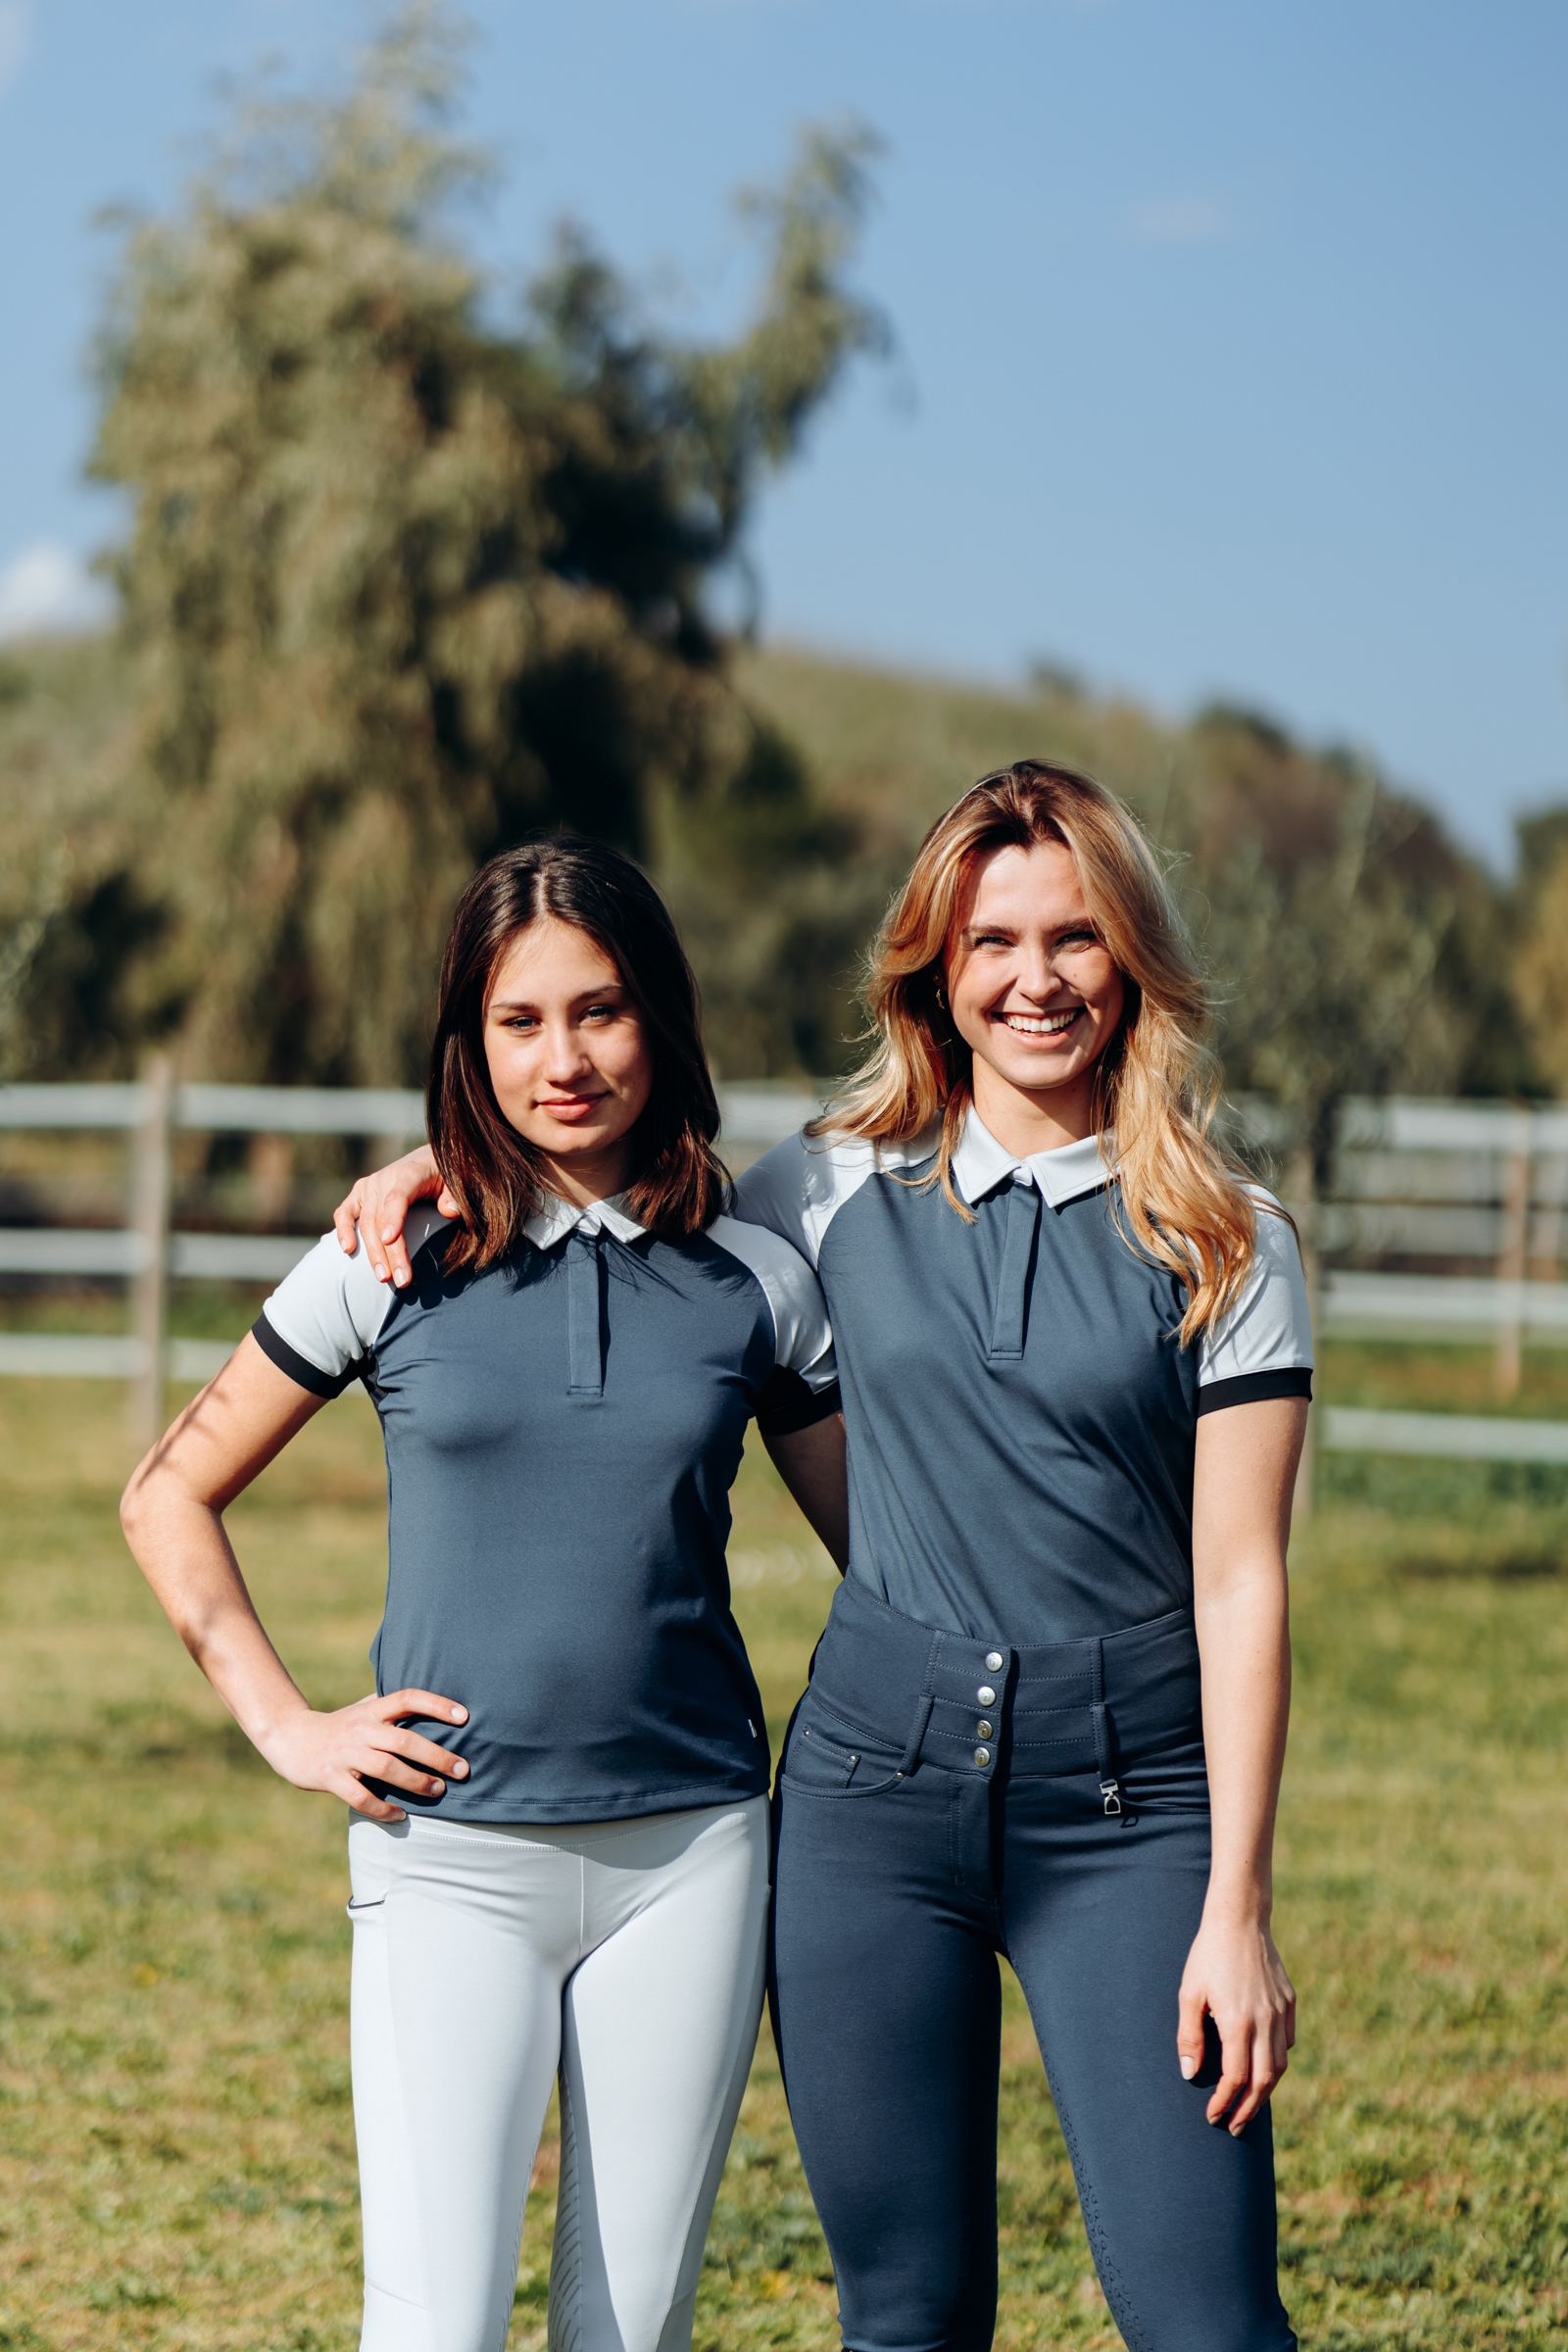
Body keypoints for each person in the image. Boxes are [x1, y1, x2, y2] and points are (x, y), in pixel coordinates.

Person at [339, 762, 1313, 2352]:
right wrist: (436, 1169)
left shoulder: (1225, 1237)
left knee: (1209, 2315)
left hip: (1135, 1807)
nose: (1037, 978)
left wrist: (1240, 1905)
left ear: (1133, 958)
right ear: (938, 965)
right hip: (874, 1802)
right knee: (905, 2316)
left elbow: (1242, 1582)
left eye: (1077, 937)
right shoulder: (822, 1188)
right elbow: (602, 1179)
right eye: (995, 941)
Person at [121, 837, 849, 2352]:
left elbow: (895, 1557)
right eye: (519, 1023)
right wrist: (284, 1726)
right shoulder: (392, 1253)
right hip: (444, 1863)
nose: (564, 1059)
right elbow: (167, 1491)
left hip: (694, 1857)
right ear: (470, 1040)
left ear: (662, 1018)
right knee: (433, 2329)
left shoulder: (757, 1278)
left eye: (601, 1011)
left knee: (627, 2332)